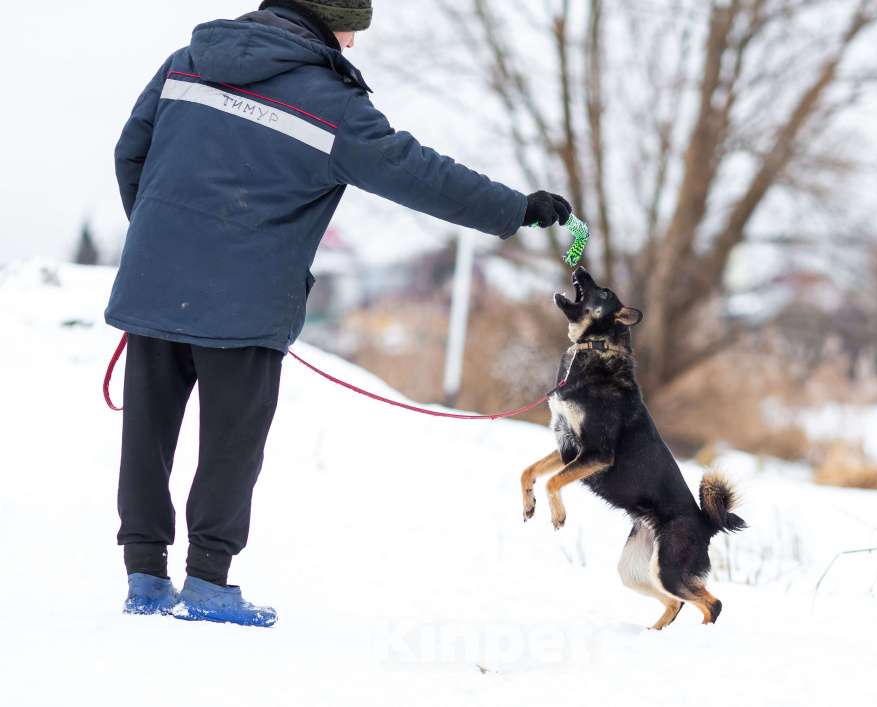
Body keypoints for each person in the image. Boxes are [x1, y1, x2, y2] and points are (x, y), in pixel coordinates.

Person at [105, 0, 573, 627]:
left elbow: (129, 153)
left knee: (148, 432)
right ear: (330, 20)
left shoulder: (185, 63)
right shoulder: (330, 104)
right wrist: (516, 209)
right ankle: (208, 585)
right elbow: (418, 173)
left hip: (156, 283)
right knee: (230, 443)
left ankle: (144, 579)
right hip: (245, 303)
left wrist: (167, 243)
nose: (352, 44)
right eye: (353, 28)